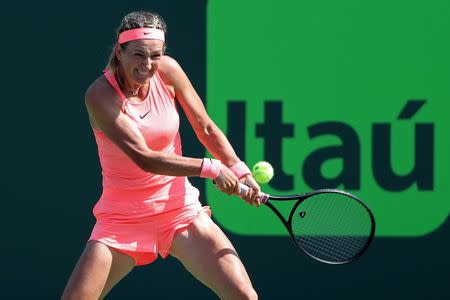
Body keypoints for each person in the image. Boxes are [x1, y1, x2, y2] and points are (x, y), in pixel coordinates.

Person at [61, 11, 261, 300]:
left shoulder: (168, 71)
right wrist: (213, 169)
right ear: (120, 52)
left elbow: (205, 127)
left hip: (179, 210)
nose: (148, 64)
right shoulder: (100, 94)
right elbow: (144, 157)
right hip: (122, 218)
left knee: (244, 296)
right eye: (139, 55)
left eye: (155, 55)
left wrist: (240, 170)